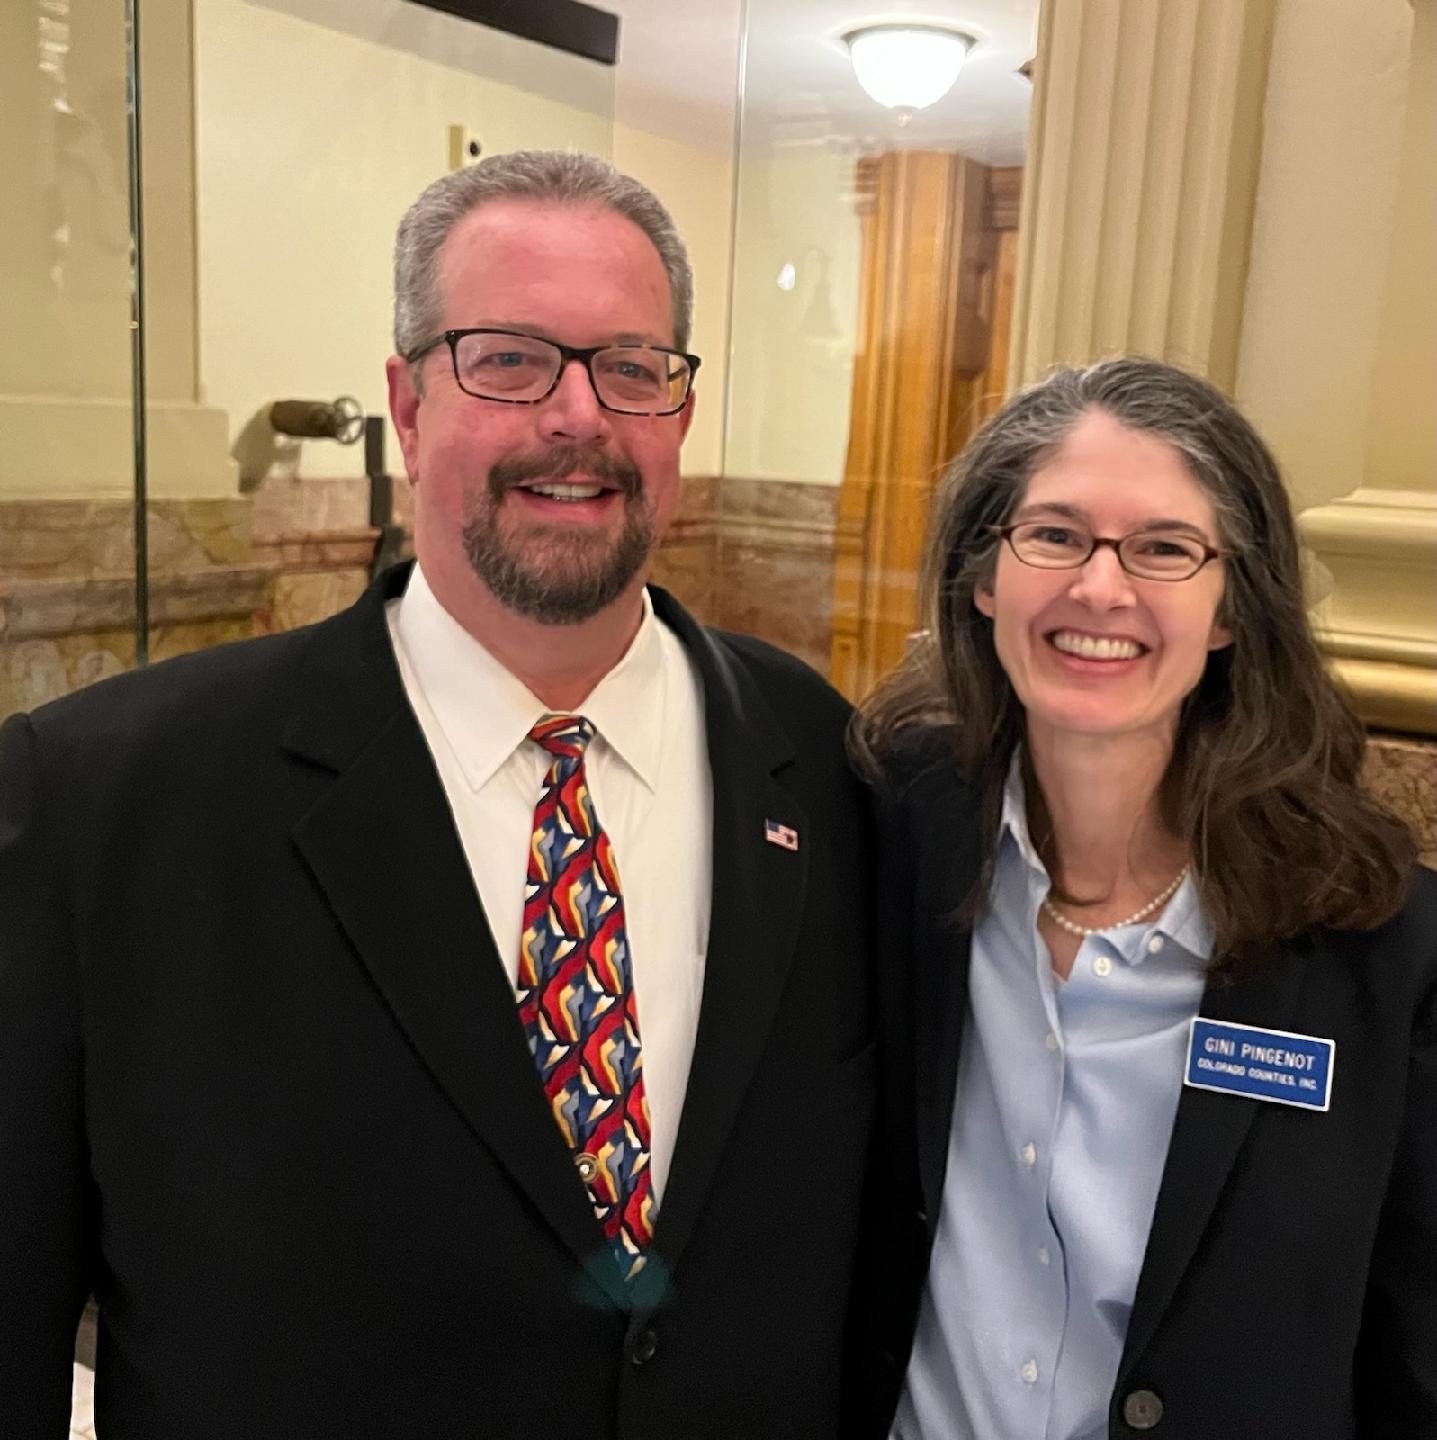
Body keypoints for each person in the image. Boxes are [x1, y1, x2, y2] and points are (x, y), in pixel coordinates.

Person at [0, 151, 876, 1438]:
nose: (577, 415)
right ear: (408, 405)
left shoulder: (829, 764)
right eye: (510, 360)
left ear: (679, 413)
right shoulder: (104, 806)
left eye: (630, 367)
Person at [854, 358, 1436, 1439]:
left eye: (1164, 548)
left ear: (1229, 611)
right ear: (986, 578)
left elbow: (1415, 1346)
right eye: (1057, 535)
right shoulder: (892, 841)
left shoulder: (1381, 948)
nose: (1100, 589)